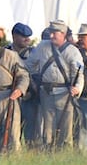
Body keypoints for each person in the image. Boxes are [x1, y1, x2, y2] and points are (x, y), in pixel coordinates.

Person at [25, 20, 83, 150]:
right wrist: (34, 81)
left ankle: (65, 155)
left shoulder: (73, 51)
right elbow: (29, 65)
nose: (51, 36)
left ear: (63, 34)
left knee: (65, 130)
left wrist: (77, 88)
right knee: (47, 130)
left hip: (65, 94)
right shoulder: (42, 47)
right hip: (46, 93)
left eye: (54, 33)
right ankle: (48, 153)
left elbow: (79, 74)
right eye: (50, 33)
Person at [7, 23, 39, 147]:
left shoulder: (34, 53)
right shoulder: (5, 52)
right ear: (14, 36)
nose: (27, 39)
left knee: (31, 132)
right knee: (11, 132)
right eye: (23, 36)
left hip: (30, 97)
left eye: (28, 36)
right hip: (10, 96)